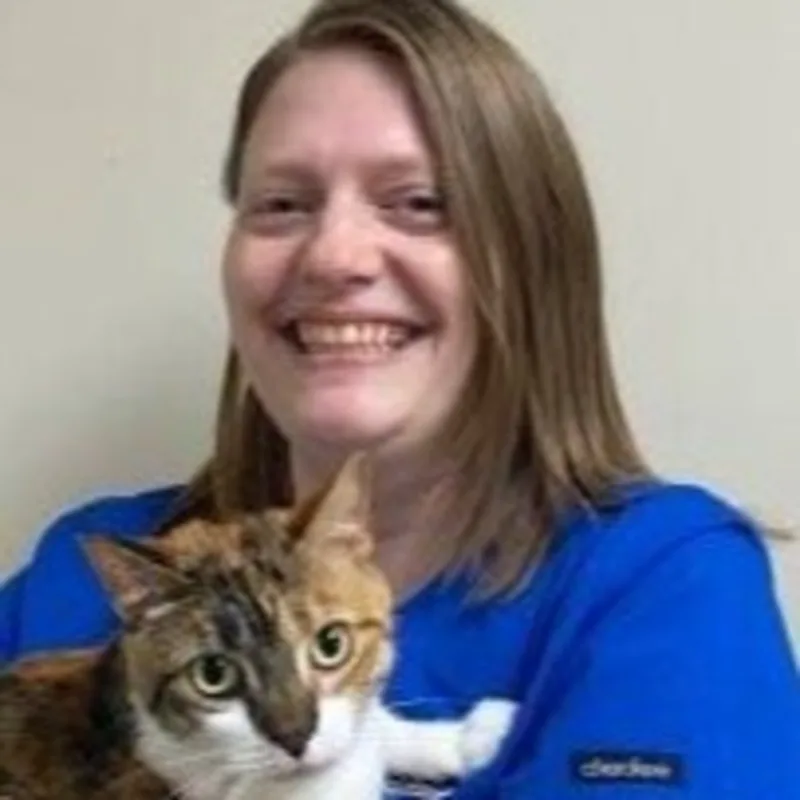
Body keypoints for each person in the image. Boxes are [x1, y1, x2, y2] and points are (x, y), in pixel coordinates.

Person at [1, 0, 798, 796]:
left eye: (419, 203)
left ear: (528, 266)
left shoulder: (663, 586)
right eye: (282, 203)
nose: (335, 255)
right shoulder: (82, 574)